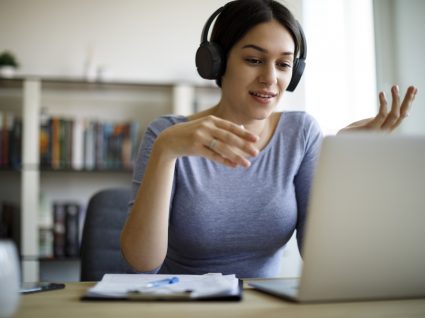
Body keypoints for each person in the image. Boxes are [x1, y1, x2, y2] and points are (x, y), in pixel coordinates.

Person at [120, 0, 418, 278]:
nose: (270, 78)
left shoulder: (300, 134)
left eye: (284, 64)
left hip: (265, 308)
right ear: (217, 62)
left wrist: (342, 165)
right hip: (183, 305)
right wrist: (166, 151)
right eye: (254, 59)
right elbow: (142, 262)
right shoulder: (167, 135)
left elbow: (322, 258)